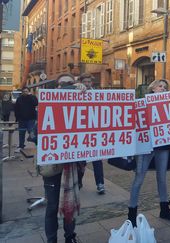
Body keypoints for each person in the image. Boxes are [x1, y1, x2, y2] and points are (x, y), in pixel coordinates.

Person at [128, 79, 170, 226]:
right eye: (160, 86)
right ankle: (131, 214)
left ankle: (164, 209)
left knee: (162, 178)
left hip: (163, 145)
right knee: (139, 178)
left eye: (165, 87)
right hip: (146, 146)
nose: (163, 89)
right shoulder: (142, 103)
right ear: (152, 88)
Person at [43, 73, 86, 243]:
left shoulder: (81, 104)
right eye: (62, 84)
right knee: (52, 206)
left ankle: (70, 237)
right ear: (57, 87)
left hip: (74, 165)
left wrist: (86, 91)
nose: (66, 86)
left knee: (71, 203)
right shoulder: (48, 104)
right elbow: (37, 133)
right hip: (53, 166)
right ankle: (51, 240)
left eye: (70, 83)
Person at [77, 73, 105, 195]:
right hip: (81, 132)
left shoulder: (96, 94)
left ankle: (100, 184)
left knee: (97, 159)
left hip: (95, 131)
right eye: (85, 82)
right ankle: (78, 181)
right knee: (81, 160)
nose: (87, 84)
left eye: (89, 82)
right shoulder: (75, 93)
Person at [14, 86, 38, 152]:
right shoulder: (19, 99)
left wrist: (30, 96)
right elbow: (16, 108)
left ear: (29, 91)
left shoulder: (32, 97)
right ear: (22, 92)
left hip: (31, 119)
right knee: (21, 133)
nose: (25, 93)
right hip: (21, 119)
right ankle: (21, 146)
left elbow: (36, 103)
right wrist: (17, 118)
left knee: (31, 131)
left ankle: (37, 143)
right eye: (24, 91)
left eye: (26, 91)